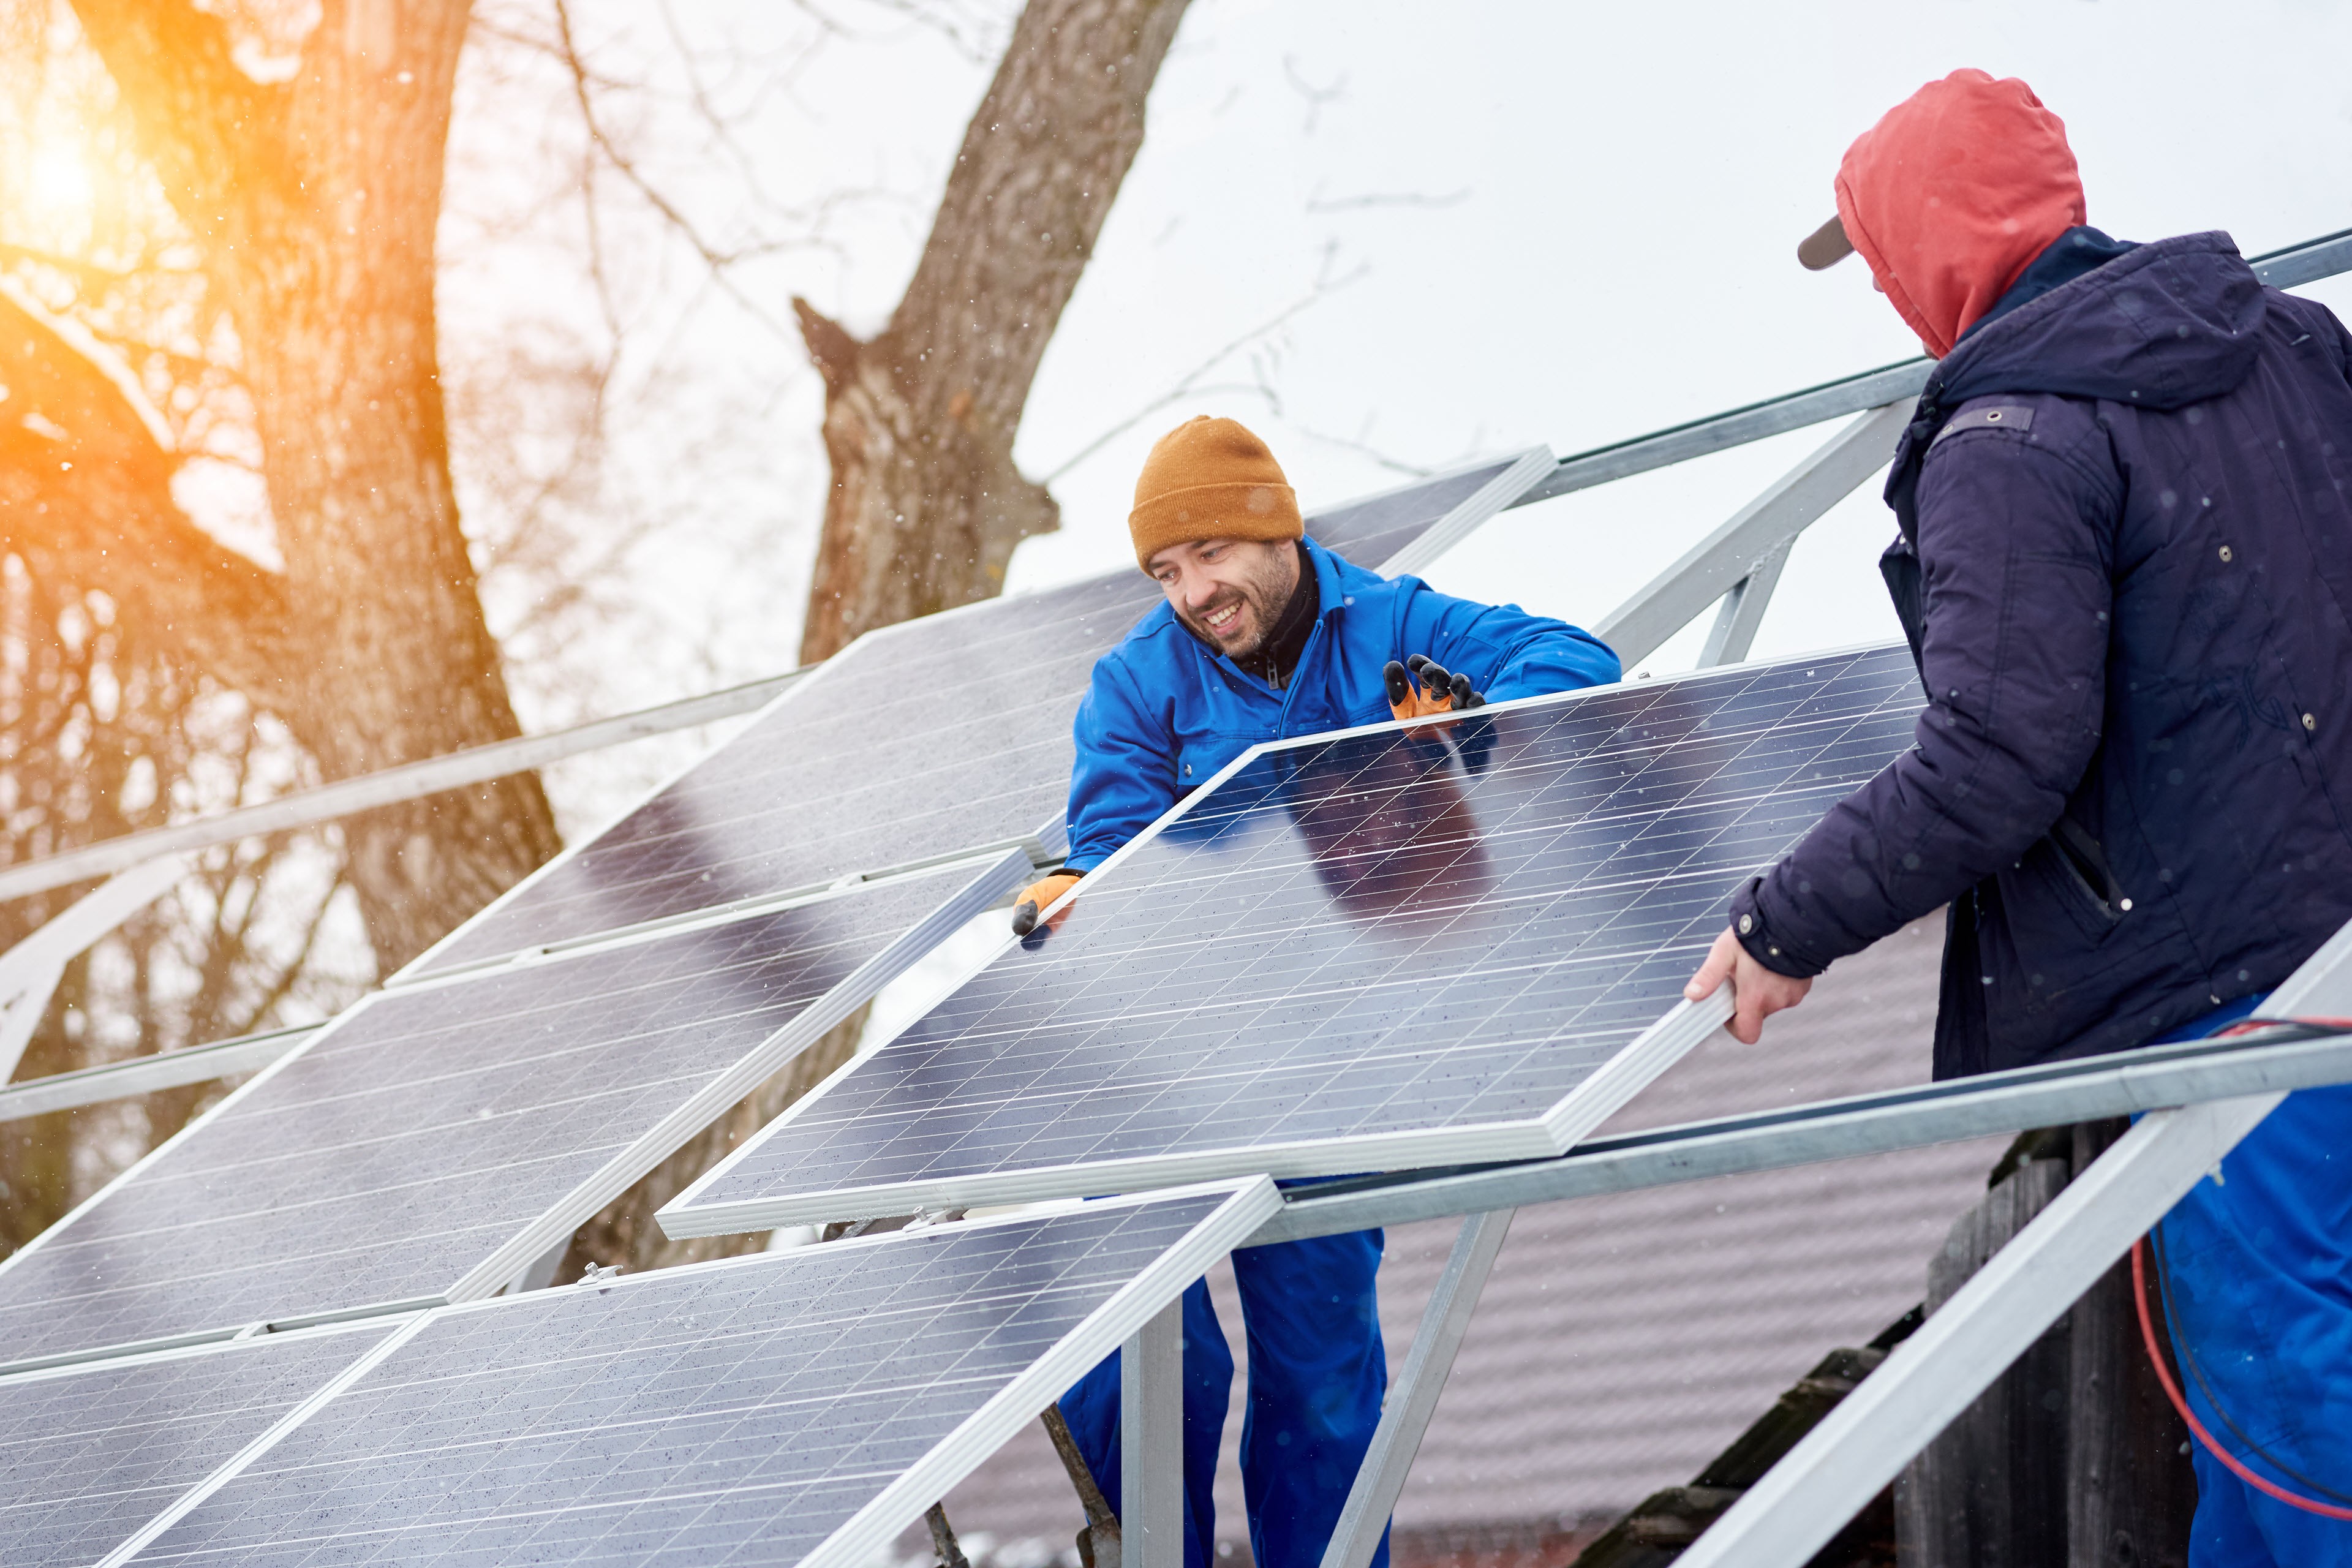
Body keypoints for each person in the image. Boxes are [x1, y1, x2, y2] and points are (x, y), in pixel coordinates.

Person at [1683, 69, 2352, 1565]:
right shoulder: (2293, 343)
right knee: (2280, 1418)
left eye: (1875, 259)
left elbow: (1998, 750)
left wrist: (1785, 919)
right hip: (2339, 942)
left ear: (1932, 246)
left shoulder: (2012, 437)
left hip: (2231, 997)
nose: (1883, 298)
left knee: (2292, 1411)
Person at [1032, 414, 1618, 1568]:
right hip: (1166, 1066)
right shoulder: (1137, 683)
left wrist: (1476, 721)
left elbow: (1576, 663)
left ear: (1273, 528)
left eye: (1208, 555)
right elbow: (1111, 845)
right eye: (1166, 570)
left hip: (1326, 1068)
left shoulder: (1397, 623)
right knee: (1144, 1355)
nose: (1193, 590)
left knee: (1322, 1380)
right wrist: (1078, 886)